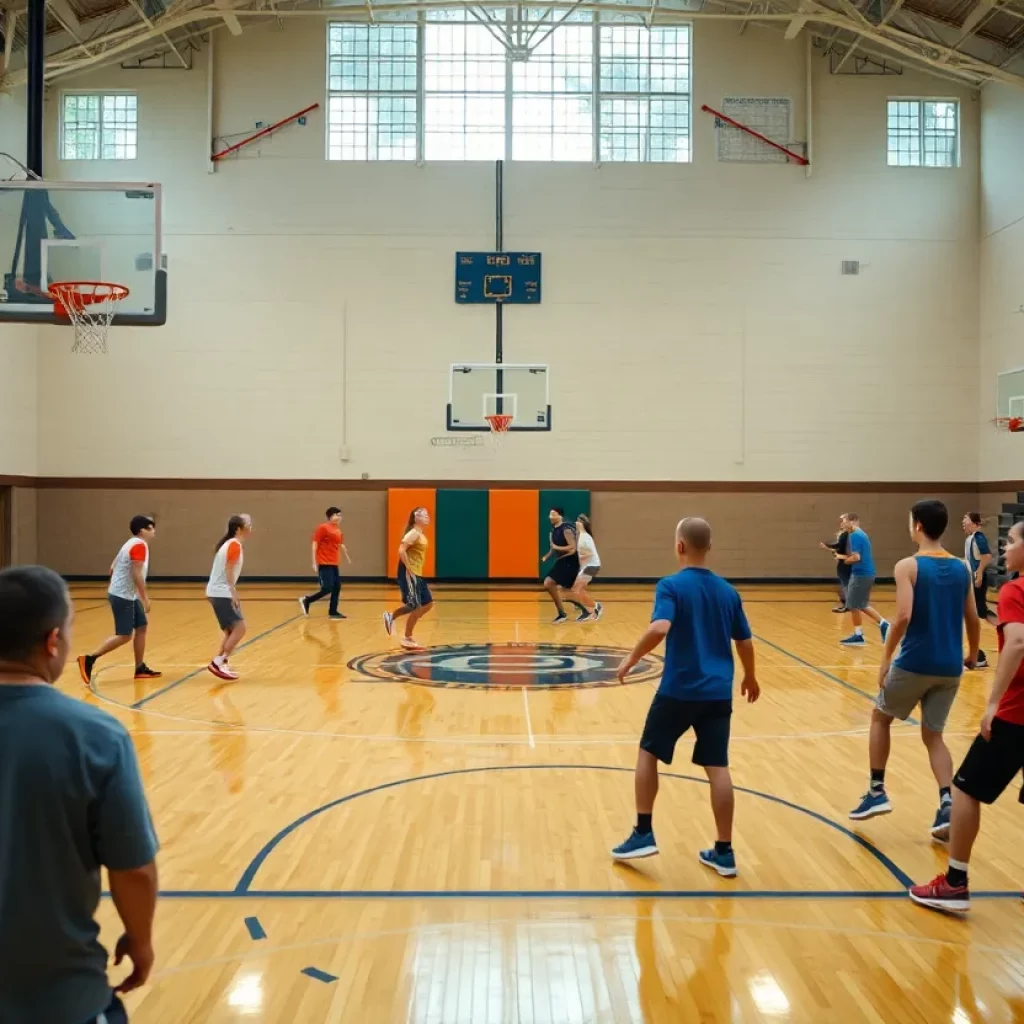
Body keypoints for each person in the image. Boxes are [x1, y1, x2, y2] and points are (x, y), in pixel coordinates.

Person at [0, 565, 159, 1024]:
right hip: (59, 997)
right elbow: (134, 869)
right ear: (53, 642)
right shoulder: (95, 735)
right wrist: (140, 937)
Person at [611, 518, 760, 876]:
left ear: (679, 546)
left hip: (678, 689)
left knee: (648, 753)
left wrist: (631, 659)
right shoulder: (728, 591)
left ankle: (643, 832)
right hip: (717, 692)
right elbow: (744, 641)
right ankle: (724, 852)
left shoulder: (671, 586)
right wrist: (751, 676)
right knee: (717, 766)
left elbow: (661, 627)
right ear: (708, 546)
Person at [908, 520, 1024, 914]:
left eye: (1011, 542)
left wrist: (992, 703)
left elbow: (1017, 642)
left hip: (1017, 714)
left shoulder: (1015, 590)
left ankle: (955, 882)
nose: (1005, 549)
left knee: (965, 790)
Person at [848, 500, 979, 842]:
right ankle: (947, 803)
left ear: (917, 526)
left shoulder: (908, 566)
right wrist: (973, 653)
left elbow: (903, 616)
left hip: (915, 661)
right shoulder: (963, 567)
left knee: (880, 717)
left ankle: (876, 790)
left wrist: (886, 658)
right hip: (950, 666)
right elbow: (973, 616)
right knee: (933, 736)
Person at [77, 515, 161, 685]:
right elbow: (136, 574)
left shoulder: (130, 543)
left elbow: (112, 566)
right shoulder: (138, 545)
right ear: (142, 530)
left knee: (142, 627)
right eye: (151, 528)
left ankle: (139, 667)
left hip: (127, 594)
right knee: (124, 635)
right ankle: (89, 659)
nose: (153, 531)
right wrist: (144, 598)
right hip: (123, 596)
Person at [206, 514, 252, 681]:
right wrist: (233, 592)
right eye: (248, 524)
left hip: (216, 591)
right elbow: (229, 569)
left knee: (230, 631)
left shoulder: (230, 544)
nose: (251, 527)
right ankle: (217, 661)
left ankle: (221, 662)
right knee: (240, 628)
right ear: (238, 529)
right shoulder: (234, 544)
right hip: (222, 592)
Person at [383, 507, 433, 651]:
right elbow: (401, 550)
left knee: (428, 603)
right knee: (414, 604)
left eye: (427, 515)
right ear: (416, 518)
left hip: (417, 573)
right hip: (408, 572)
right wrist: (409, 569)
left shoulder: (420, 534)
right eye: (424, 515)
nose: (427, 517)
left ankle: (392, 618)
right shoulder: (413, 533)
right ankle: (407, 638)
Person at [839, 514, 890, 646]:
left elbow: (856, 558)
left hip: (861, 574)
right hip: (866, 573)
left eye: (844, 521)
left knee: (852, 604)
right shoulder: (859, 534)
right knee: (861, 604)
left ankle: (859, 635)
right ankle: (883, 624)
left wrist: (845, 560)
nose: (842, 524)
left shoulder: (855, 535)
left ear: (852, 521)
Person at [299, 506, 351, 620]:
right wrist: (314, 561)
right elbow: (315, 543)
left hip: (334, 562)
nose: (339, 517)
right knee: (327, 588)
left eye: (340, 515)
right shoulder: (323, 528)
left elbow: (339, 542)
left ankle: (333, 611)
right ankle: (307, 600)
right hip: (324, 562)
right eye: (337, 514)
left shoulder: (337, 530)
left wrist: (343, 547)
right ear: (331, 516)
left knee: (337, 587)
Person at [963, 512, 997, 669]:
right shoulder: (970, 538)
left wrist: (979, 573)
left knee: (977, 612)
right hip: (973, 579)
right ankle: (977, 654)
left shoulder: (979, 537)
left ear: (975, 523)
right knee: (979, 612)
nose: (963, 522)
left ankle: (978, 655)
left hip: (978, 580)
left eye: (966, 519)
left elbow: (987, 556)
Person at [541, 508, 581, 624]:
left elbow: (572, 548)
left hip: (570, 561)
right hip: (562, 560)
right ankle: (563, 613)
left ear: (560, 516)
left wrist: (556, 548)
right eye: (550, 514)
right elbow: (553, 548)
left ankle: (588, 607)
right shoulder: (554, 530)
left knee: (552, 585)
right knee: (552, 585)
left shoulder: (566, 529)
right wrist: (546, 557)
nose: (550, 516)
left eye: (553, 514)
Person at [572, 514, 603, 622]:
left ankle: (595, 607)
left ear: (582, 523)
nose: (575, 523)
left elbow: (589, 554)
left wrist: (578, 556)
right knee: (578, 589)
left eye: (577, 521)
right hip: (587, 566)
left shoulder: (586, 537)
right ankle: (590, 611)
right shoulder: (581, 536)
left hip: (592, 566)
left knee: (577, 589)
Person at [819, 514, 851, 613]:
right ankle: (847, 603)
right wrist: (829, 548)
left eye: (843, 521)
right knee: (844, 583)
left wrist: (828, 546)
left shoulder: (846, 534)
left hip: (845, 562)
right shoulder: (845, 534)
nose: (841, 523)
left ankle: (847, 604)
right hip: (843, 561)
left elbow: (839, 546)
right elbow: (838, 548)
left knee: (845, 583)